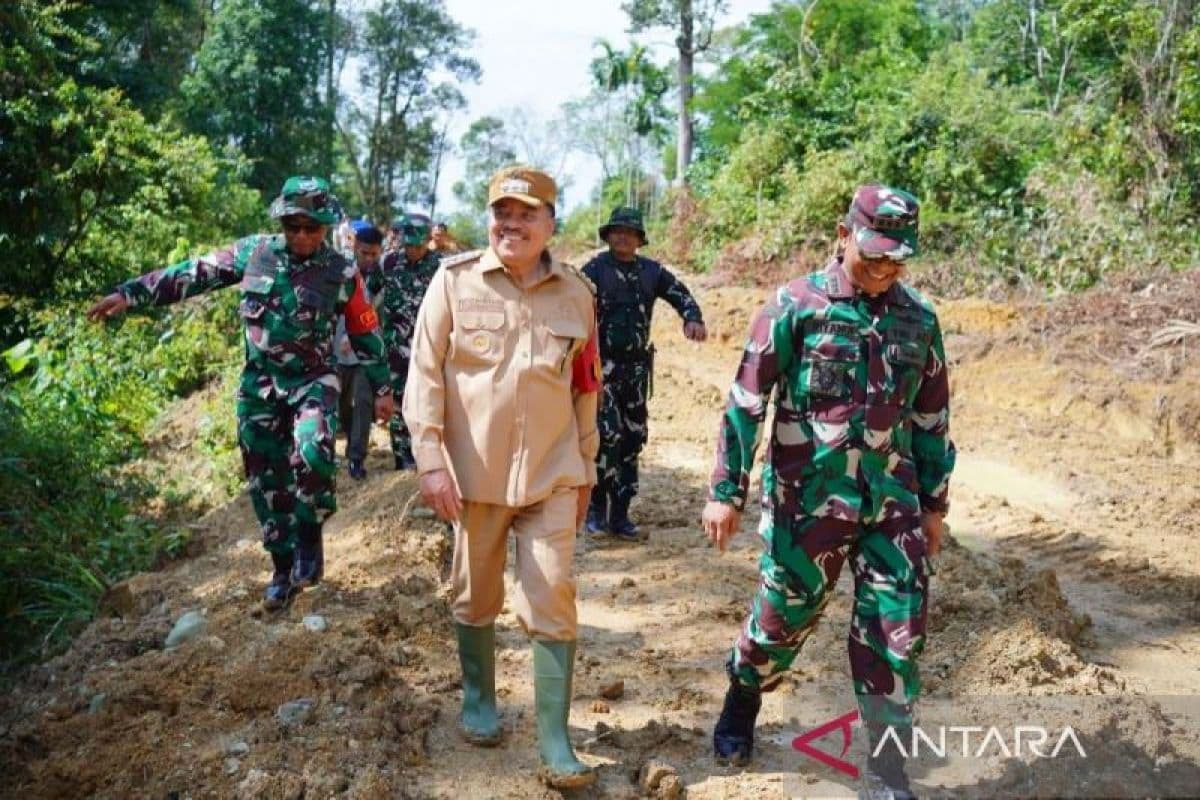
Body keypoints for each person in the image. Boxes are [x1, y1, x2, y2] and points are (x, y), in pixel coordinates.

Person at [701, 184, 955, 799]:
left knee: (898, 631)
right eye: (873, 254)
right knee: (782, 620)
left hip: (890, 503)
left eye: (897, 258)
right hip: (806, 503)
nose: (884, 268)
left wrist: (935, 505)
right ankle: (743, 694)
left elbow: (932, 416)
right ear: (843, 236)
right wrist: (726, 490)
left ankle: (888, 769)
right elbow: (746, 402)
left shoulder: (918, 319)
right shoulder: (793, 306)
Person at [86, 177, 394, 610]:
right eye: (293, 226)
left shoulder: (341, 272)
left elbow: (365, 329)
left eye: (312, 227)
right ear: (282, 223)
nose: (302, 236)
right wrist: (129, 294)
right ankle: (283, 569)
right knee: (266, 481)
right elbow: (192, 274)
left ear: (326, 226)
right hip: (261, 384)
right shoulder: (256, 253)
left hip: (313, 379)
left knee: (313, 453)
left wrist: (382, 388)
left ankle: (309, 532)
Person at [403, 166, 601, 789]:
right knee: (476, 593)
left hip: (552, 474)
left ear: (550, 224)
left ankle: (554, 740)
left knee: (554, 594)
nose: (511, 224)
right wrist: (431, 460)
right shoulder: (453, 282)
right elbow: (424, 375)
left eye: (526, 213)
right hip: (473, 477)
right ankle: (480, 700)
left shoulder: (576, 294)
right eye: (501, 212)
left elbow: (586, 385)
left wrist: (588, 469)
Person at [581, 206, 706, 540]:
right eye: (617, 230)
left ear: (639, 239)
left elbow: (680, 294)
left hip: (636, 370)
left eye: (630, 232)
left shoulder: (652, 272)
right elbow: (569, 305)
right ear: (608, 236)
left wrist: (692, 317)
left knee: (633, 439)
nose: (623, 236)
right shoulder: (592, 270)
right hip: (601, 369)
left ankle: (621, 516)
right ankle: (596, 512)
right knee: (606, 437)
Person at [377, 211, 441, 470]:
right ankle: (403, 457)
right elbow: (369, 296)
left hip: (431, 345)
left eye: (419, 245)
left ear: (428, 241)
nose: (413, 250)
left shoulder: (441, 266)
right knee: (400, 401)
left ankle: (431, 454)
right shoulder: (388, 263)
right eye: (409, 245)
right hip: (396, 346)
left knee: (430, 399)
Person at [335, 223, 385, 480]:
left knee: (364, 403)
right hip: (336, 350)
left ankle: (356, 458)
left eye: (374, 254)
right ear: (355, 247)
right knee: (339, 402)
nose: (369, 259)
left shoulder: (381, 277)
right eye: (364, 253)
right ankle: (336, 449)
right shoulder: (339, 269)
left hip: (365, 352)